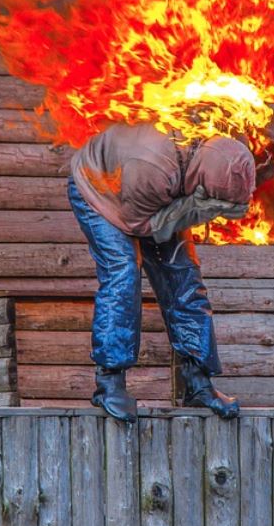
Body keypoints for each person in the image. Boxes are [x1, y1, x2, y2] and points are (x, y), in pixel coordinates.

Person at [68, 122, 256, 423]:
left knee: (184, 278)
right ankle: (110, 382)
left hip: (158, 195)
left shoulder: (215, 144)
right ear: (202, 186)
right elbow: (139, 227)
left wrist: (205, 206)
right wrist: (199, 209)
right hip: (102, 192)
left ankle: (198, 383)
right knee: (123, 274)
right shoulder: (152, 169)